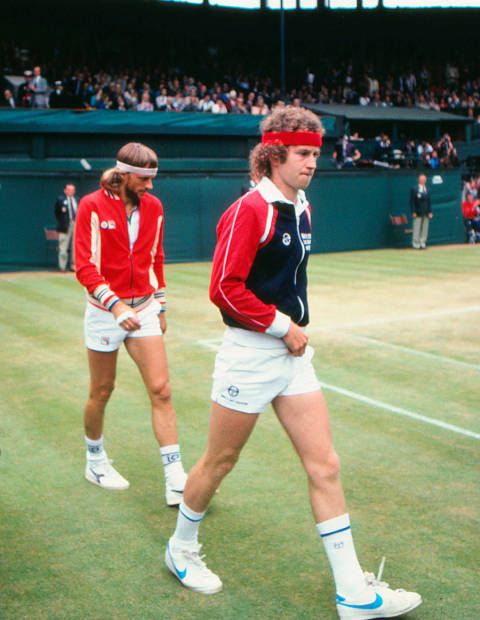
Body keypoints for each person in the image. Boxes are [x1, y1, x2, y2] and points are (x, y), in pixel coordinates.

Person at [164, 107, 422, 619]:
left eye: (316, 154)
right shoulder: (249, 211)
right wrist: (284, 327)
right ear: (274, 153)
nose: (312, 164)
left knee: (324, 465)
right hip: (251, 357)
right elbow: (222, 289)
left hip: (293, 358)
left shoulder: (302, 205)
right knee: (219, 461)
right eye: (303, 154)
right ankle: (180, 548)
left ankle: (352, 592)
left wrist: (291, 334)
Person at [74, 142, 187, 504]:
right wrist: (116, 305)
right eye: (144, 179)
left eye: (153, 179)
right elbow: (84, 267)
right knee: (102, 390)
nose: (150, 187)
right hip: (104, 312)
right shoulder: (91, 205)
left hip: (145, 309)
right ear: (123, 174)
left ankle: (174, 478)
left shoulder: (154, 207)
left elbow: (157, 255)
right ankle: (95, 460)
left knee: (162, 390)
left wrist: (162, 305)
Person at [54, 183, 78, 272]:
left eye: (72, 190)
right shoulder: (61, 200)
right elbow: (57, 212)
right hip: (65, 225)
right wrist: (62, 221)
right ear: (65, 190)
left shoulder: (76, 200)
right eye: (69, 190)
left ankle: (73, 266)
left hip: (75, 224)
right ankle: (62, 267)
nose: (71, 191)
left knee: (75, 245)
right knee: (63, 245)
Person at [410, 174, 432, 249]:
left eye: (424, 179)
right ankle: (415, 243)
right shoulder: (414, 189)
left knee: (425, 228)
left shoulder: (427, 189)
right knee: (417, 228)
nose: (423, 180)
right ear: (419, 180)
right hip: (417, 212)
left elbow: (429, 201)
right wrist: (413, 212)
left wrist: (430, 212)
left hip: (426, 212)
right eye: (422, 179)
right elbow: (412, 201)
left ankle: (422, 243)